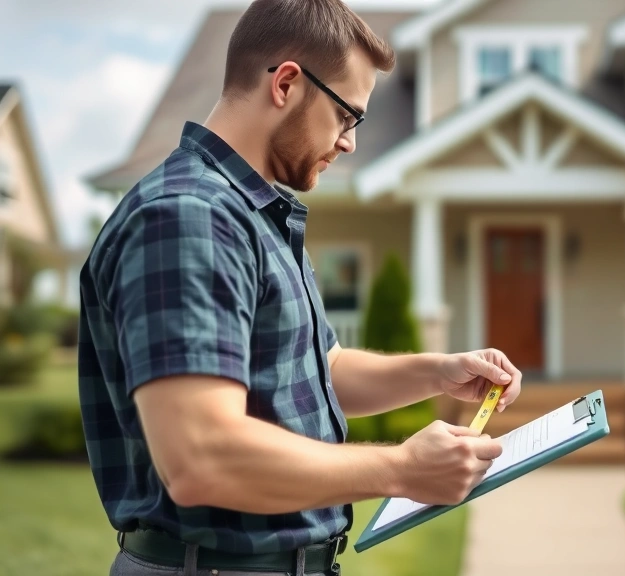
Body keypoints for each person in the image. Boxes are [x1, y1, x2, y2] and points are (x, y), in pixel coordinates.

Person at [77, 1, 522, 575]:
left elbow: (319, 369)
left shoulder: (251, 216)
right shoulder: (189, 217)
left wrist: (440, 372)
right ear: (286, 83)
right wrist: (402, 468)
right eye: (346, 115)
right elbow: (200, 457)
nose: (350, 142)